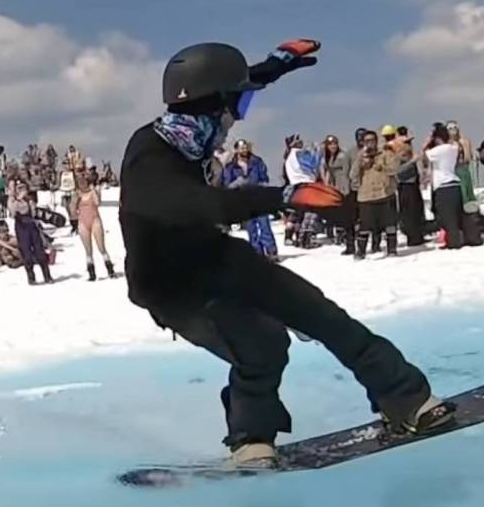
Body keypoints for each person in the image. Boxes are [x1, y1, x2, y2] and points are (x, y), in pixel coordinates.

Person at [117, 40, 448, 469]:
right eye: (238, 106)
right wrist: (284, 194)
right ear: (213, 105)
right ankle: (251, 440)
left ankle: (405, 399)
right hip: (171, 285)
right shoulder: (149, 154)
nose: (238, 118)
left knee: (320, 314)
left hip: (214, 256)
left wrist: (277, 64)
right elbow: (200, 205)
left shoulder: (192, 130)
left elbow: (231, 83)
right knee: (263, 345)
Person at [353, 128, 400, 259]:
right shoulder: (360, 156)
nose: (370, 143)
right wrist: (360, 162)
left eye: (372, 140)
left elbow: (394, 170)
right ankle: (361, 251)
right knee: (365, 226)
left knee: (390, 224)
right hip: (366, 196)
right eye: (366, 141)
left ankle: (392, 249)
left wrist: (381, 167)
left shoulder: (385, 153)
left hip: (385, 193)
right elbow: (353, 175)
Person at [424, 126, 466, 249]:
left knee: (446, 217)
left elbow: (425, 156)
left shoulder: (438, 151)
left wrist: (426, 144)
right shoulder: (453, 148)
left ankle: (453, 243)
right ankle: (456, 239)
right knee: (455, 215)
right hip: (454, 183)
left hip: (443, 186)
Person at [74, 168, 116, 281]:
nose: (82, 185)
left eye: (83, 183)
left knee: (101, 247)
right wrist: (76, 199)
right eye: (80, 183)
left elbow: (97, 203)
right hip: (83, 222)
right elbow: (73, 210)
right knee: (88, 250)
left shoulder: (92, 192)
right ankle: (91, 273)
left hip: (95, 220)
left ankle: (109, 268)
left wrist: (94, 192)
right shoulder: (77, 194)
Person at [11, 186, 54, 285]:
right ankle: (31, 277)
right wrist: (18, 201)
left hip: (32, 226)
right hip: (21, 227)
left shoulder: (30, 200)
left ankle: (47, 275)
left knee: (39, 250)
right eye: (20, 189)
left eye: (24, 189)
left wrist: (31, 204)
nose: (23, 191)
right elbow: (12, 213)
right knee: (26, 252)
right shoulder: (13, 201)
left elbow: (34, 214)